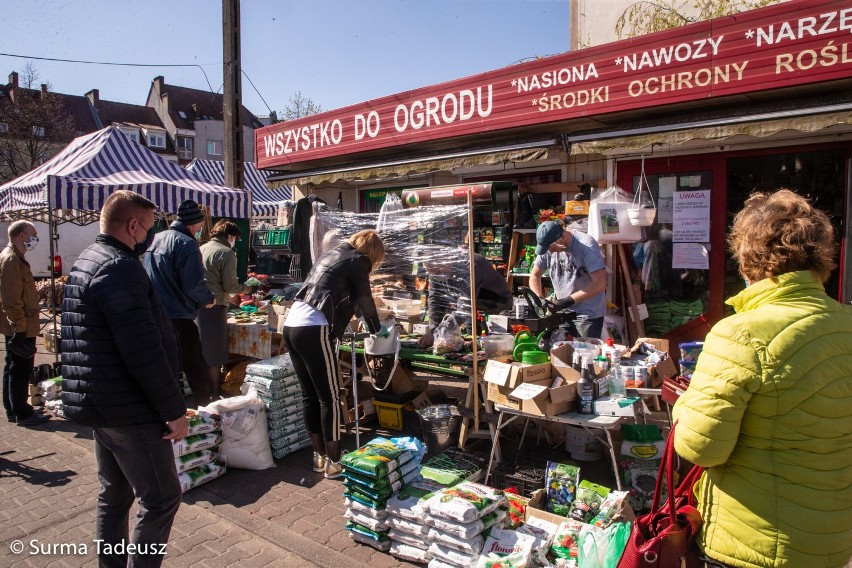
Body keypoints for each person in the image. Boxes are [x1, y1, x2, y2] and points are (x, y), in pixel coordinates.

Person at [672, 189, 852, 568]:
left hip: (753, 542)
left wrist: (684, 402)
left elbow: (701, 448)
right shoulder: (845, 324)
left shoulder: (739, 333)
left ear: (749, 258)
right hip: (833, 540)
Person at [61, 190, 188, 568]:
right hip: (128, 408)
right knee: (162, 499)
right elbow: (143, 351)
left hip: (103, 402)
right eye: (149, 228)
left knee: (114, 496)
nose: (150, 236)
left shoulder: (88, 258)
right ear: (133, 226)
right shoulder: (119, 267)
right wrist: (173, 410)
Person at [282, 229, 386, 479]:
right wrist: (376, 329)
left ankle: (319, 458)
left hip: (292, 324)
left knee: (310, 395)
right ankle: (335, 461)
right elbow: (364, 298)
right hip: (314, 329)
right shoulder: (358, 261)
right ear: (372, 253)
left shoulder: (332, 255)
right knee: (328, 396)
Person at [143, 200, 215, 407]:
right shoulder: (186, 243)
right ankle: (205, 411)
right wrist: (208, 298)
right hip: (178, 316)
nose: (201, 230)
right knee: (195, 367)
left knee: (168, 369)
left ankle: (170, 410)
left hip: (156, 314)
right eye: (200, 226)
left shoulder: (156, 239)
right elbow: (193, 285)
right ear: (193, 224)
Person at [1, 220, 50, 426]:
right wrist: (19, 328)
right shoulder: (11, 259)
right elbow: (11, 299)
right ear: (22, 236)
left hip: (19, 325)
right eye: (33, 234)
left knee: (13, 367)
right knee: (19, 370)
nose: (34, 239)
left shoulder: (15, 258)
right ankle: (21, 412)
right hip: (20, 327)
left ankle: (14, 408)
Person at [197, 220, 251, 400]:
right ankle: (213, 394)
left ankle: (205, 392)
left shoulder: (202, 248)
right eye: (235, 237)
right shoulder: (227, 252)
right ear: (230, 236)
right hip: (215, 305)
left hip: (197, 305)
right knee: (213, 355)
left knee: (202, 352)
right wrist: (248, 288)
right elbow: (230, 286)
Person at [529, 220, 606, 339]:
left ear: (561, 238)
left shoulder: (586, 245)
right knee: (563, 352)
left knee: (584, 352)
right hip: (562, 313)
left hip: (587, 314)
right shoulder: (547, 245)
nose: (549, 252)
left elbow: (600, 284)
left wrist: (569, 300)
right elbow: (535, 275)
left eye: (551, 248)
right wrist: (539, 299)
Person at [418, 251, 512, 349]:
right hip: (472, 309)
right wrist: (433, 330)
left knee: (495, 347)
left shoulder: (471, 265)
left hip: (496, 305)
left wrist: (439, 332)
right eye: (432, 273)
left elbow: (464, 308)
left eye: (438, 272)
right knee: (472, 344)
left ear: (447, 260)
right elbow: (435, 298)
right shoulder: (435, 268)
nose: (436, 276)